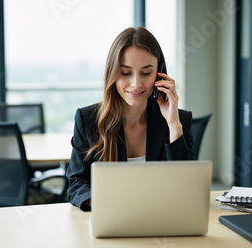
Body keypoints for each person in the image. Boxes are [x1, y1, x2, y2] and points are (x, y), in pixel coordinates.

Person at [66, 27, 195, 211]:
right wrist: (111, 204)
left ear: (159, 74)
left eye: (146, 73)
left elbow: (188, 188)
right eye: (126, 73)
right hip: (112, 219)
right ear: (112, 73)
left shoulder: (180, 120)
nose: (136, 84)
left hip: (163, 222)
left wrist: (173, 124)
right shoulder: (88, 119)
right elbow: (77, 184)